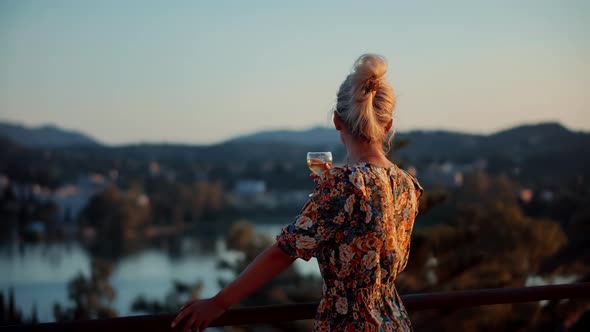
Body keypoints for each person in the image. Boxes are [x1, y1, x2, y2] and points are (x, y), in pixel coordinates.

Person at [171, 54, 423, 332]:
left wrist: (218, 303)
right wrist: (328, 196)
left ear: (337, 121)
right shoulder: (407, 184)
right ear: (387, 126)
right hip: (395, 321)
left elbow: (284, 252)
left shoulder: (343, 185)